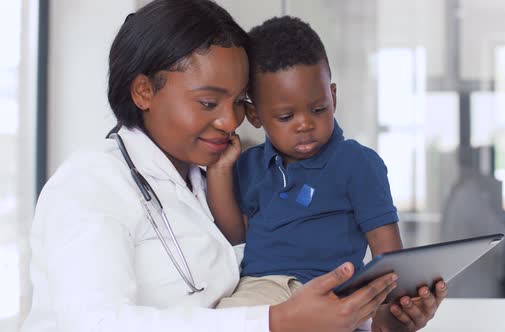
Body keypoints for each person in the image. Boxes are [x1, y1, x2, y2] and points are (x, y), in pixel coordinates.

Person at [20, 1, 400, 331]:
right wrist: (275, 321)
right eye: (208, 103)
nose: (229, 121)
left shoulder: (216, 177)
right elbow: (96, 325)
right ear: (144, 92)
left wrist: (376, 316)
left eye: (237, 103)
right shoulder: (91, 184)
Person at [208, 16, 446, 330]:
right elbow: (235, 237)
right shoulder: (250, 165)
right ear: (255, 116)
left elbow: (386, 249)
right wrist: (221, 171)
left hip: (334, 293)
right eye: (286, 116)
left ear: (332, 96)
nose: (305, 123)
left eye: (318, 109)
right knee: (222, 320)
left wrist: (390, 309)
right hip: (262, 289)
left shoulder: (357, 163)